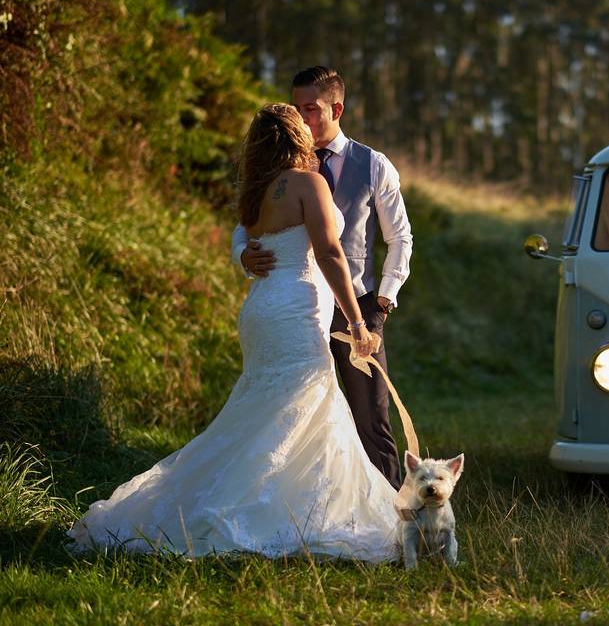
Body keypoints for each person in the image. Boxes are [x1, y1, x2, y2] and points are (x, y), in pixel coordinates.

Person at [67, 104, 399, 560]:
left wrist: (244, 258)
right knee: (301, 404)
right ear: (296, 138)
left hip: (263, 309)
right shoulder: (309, 183)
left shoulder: (259, 195)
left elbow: (248, 240)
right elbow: (330, 253)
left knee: (268, 409)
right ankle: (276, 512)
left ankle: (285, 504)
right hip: (294, 309)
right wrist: (357, 322)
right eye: (303, 124)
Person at [233, 66, 411, 491]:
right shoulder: (278, 171)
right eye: (296, 108)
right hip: (299, 308)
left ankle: (390, 509)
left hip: (358, 306)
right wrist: (242, 253)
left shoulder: (373, 165)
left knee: (370, 417)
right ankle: (310, 502)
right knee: (299, 414)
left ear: (337, 108)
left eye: (310, 108)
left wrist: (382, 302)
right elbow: (243, 225)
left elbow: (399, 237)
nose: (302, 117)